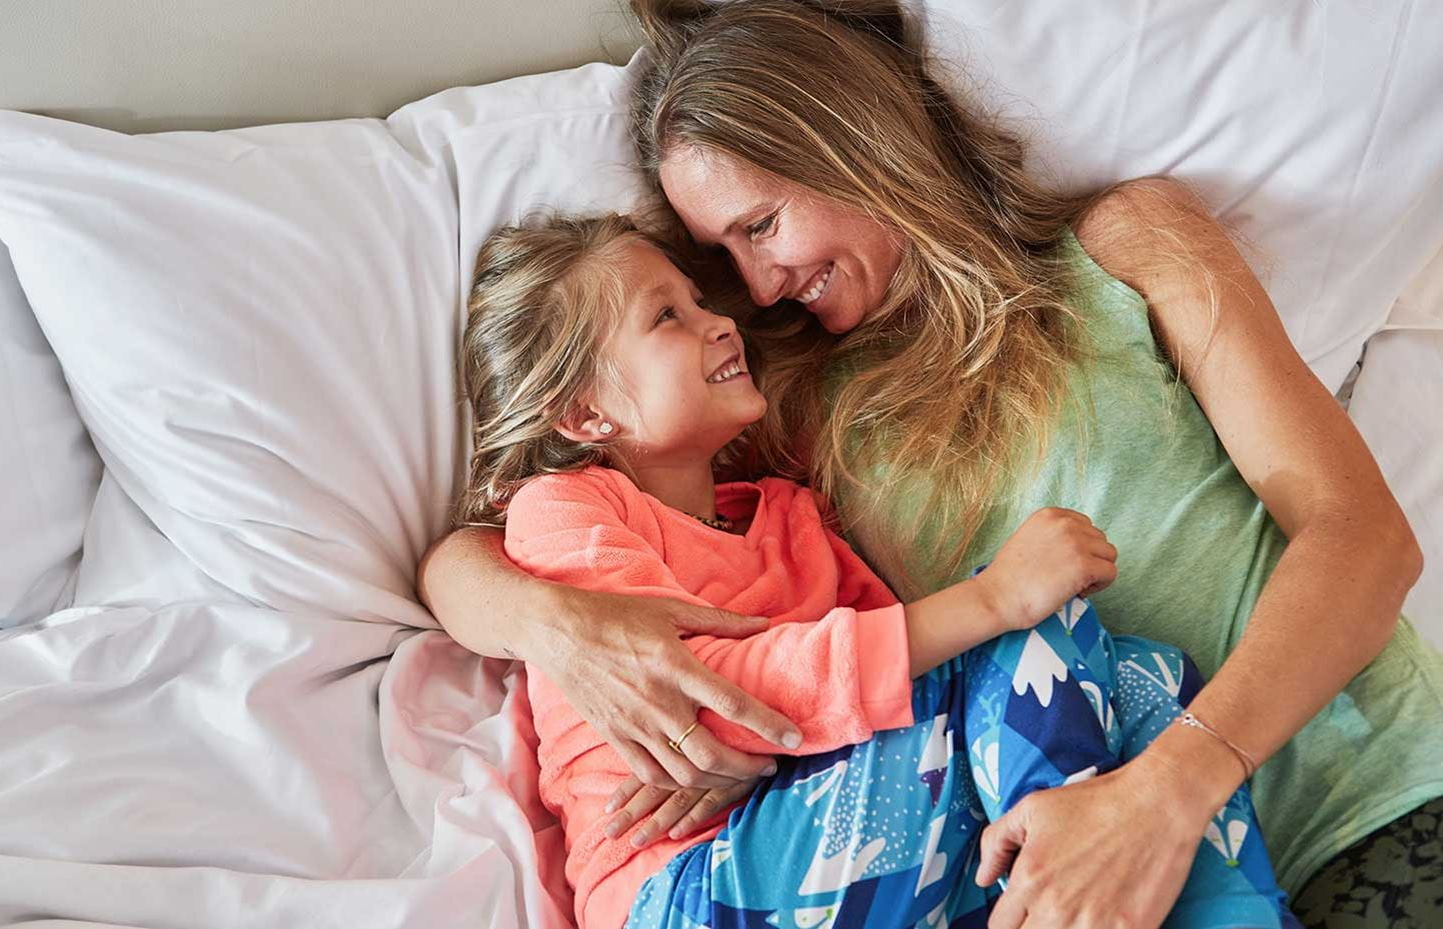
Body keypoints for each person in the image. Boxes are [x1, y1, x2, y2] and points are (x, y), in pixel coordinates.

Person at [420, 3, 1443, 926]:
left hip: (1370, 794)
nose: (757, 288)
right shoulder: (797, 413)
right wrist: (570, 634)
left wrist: (1170, 790)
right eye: (724, 258)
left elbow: (1366, 539)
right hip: (1083, 876)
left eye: (762, 225)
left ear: (848, 141)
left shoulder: (1126, 243)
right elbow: (468, 556)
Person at [460, 212, 1295, 929]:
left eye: (702, 302)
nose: (719, 323)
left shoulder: (792, 516)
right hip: (689, 888)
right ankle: (1065, 888)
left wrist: (1002, 616)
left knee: (1148, 676)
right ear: (586, 412)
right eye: (667, 317)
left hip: (856, 849)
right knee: (1023, 624)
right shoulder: (564, 510)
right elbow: (711, 697)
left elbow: (899, 685)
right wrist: (994, 597)